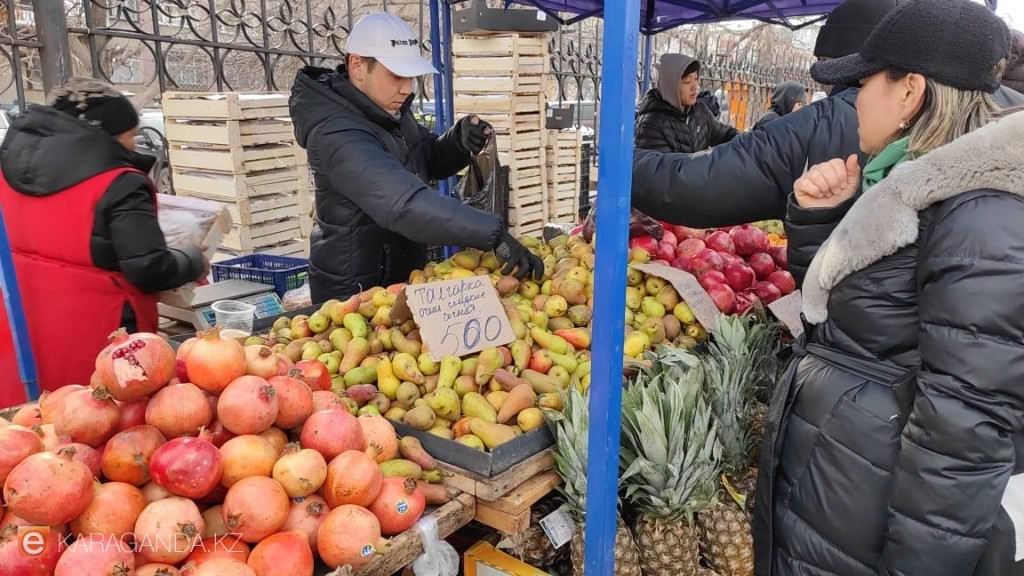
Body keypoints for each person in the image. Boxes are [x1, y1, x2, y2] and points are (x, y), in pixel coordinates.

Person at [752, 2, 1024, 575]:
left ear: (909, 93)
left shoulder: (983, 218)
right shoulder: (907, 187)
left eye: (864, 81)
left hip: (869, 532)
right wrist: (821, 222)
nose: (854, 100)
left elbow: (962, 437)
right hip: (842, 503)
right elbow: (851, 334)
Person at [631, 0, 900, 285]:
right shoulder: (933, 121)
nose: (821, 82)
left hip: (845, 309)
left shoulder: (826, 120)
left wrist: (621, 162)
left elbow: (702, 180)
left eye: (823, 64)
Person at [289, 12, 543, 302]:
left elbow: (425, 157)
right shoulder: (335, 133)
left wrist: (458, 142)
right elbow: (404, 204)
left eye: (410, 76)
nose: (407, 87)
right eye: (396, 75)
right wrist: (493, 235)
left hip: (397, 277)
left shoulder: (387, 112)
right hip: (354, 292)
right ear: (358, 66)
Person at [0, 78, 207, 392]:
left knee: (37, 428)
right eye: (132, 136)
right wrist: (193, 259)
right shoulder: (121, 183)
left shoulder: (8, 169)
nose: (135, 145)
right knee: (99, 422)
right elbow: (148, 268)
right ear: (109, 135)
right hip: (98, 338)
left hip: (21, 334)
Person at [634, 53, 739, 153]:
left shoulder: (700, 111)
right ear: (671, 86)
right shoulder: (651, 124)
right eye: (687, 82)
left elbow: (725, 134)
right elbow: (668, 169)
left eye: (696, 79)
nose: (695, 87)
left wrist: (749, 142)